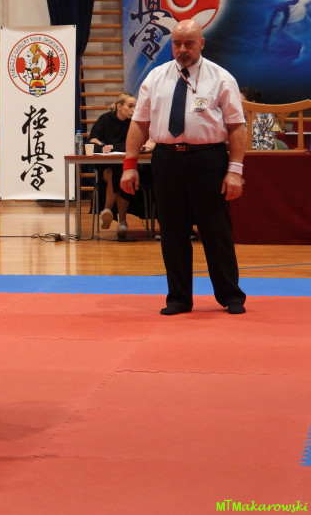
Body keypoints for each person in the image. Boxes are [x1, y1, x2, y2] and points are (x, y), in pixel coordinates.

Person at [121, 19, 247, 316]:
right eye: (177, 43)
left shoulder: (221, 78)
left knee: (216, 231)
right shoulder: (155, 77)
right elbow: (139, 124)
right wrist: (129, 165)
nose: (182, 49)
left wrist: (235, 171)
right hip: (167, 160)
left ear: (201, 43)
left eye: (189, 43)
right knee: (172, 231)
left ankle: (230, 294)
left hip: (209, 160)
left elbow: (237, 127)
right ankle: (178, 298)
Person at [87, 93, 155, 238]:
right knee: (115, 172)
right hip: (106, 167)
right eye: (130, 106)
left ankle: (107, 210)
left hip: (127, 167)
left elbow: (138, 142)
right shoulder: (104, 119)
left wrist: (114, 147)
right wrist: (103, 147)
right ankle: (122, 221)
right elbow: (92, 140)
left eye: (135, 106)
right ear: (119, 106)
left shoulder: (134, 123)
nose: (133, 110)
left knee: (119, 172)